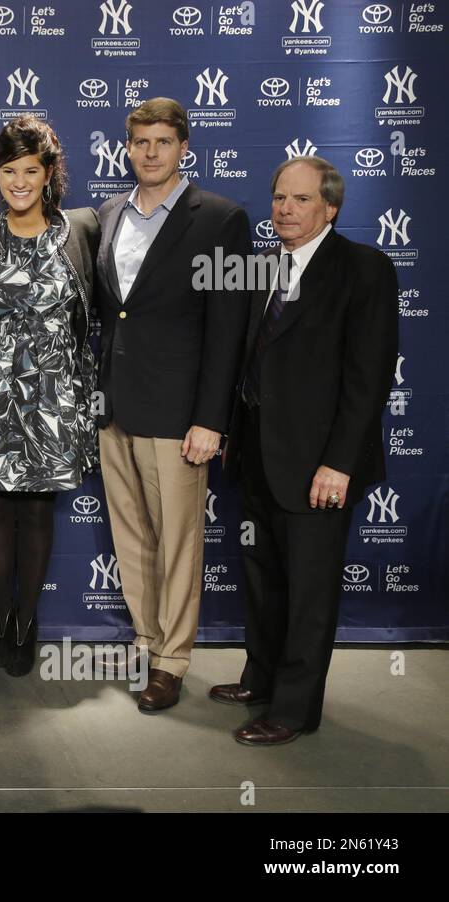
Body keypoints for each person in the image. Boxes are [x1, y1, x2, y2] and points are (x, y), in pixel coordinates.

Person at [215, 157, 398, 745]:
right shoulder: (261, 267)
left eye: (299, 200)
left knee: (310, 593)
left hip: (320, 465)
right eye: (278, 199)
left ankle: (294, 710)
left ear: (331, 207)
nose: (285, 210)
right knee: (264, 579)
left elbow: (368, 380)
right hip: (259, 458)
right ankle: (261, 678)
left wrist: (339, 463)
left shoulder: (364, 269)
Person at [93, 98, 250, 712]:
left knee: (179, 541)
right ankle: (147, 639)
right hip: (115, 407)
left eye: (162, 141)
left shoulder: (222, 219)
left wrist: (211, 418)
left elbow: (228, 330)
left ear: (183, 146)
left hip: (181, 414)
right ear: (126, 147)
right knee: (132, 538)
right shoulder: (108, 214)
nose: (150, 152)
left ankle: (172, 662)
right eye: (139, 142)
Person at [0, 116, 100, 678]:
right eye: (8, 171)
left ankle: (28, 619)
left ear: (49, 174)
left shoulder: (80, 230)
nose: (19, 181)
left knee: (37, 510)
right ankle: (0, 619)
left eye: (30, 171)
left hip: (54, 395)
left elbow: (103, 310)